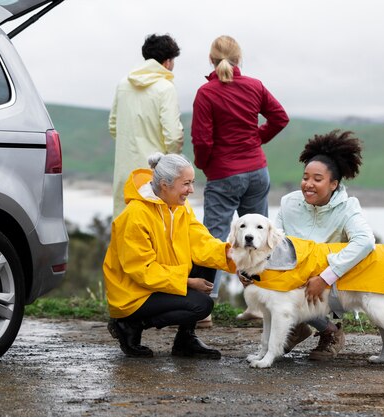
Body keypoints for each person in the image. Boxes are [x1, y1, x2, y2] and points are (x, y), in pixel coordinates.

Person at [190, 35, 289, 316]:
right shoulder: (255, 86)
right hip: (257, 172)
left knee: (216, 241)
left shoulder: (206, 93)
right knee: (260, 239)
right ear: (239, 59)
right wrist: (256, 139)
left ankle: (203, 308)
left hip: (223, 174)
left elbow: (202, 141)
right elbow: (280, 117)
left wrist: (205, 165)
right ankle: (263, 305)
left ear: (211, 59)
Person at [103, 152, 236, 359]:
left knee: (210, 259)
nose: (191, 190)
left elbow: (201, 242)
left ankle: (185, 340)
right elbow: (142, 270)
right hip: (133, 293)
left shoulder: (180, 207)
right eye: (186, 184)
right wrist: (188, 282)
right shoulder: (135, 215)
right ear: (165, 185)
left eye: (192, 183)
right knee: (202, 305)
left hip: (162, 282)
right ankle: (128, 324)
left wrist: (237, 258)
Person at [264, 130, 376, 360]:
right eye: (305, 178)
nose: (308, 184)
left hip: (333, 281)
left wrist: (326, 276)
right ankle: (297, 326)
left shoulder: (348, 207)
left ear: (333, 184)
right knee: (264, 280)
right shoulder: (289, 203)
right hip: (296, 275)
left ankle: (331, 331)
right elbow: (274, 241)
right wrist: (251, 271)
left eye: (317, 179)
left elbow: (365, 241)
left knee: (303, 283)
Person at [109, 34, 184, 217]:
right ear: (167, 62)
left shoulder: (123, 84)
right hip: (154, 173)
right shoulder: (165, 88)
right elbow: (173, 136)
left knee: (124, 223)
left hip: (124, 171)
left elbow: (113, 126)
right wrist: (171, 163)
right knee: (155, 226)